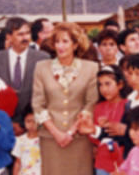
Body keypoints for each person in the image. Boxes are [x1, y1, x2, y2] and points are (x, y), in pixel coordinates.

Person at [30, 22, 100, 175]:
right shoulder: (41, 67)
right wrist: (56, 133)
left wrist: (70, 132)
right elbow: (38, 104)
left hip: (79, 139)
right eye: (57, 41)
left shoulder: (91, 68)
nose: (60, 46)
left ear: (75, 44)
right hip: (50, 138)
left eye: (65, 41)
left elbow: (90, 103)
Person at [0, 17, 51, 121]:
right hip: (1, 121)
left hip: (32, 122)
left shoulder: (43, 58)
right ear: (9, 37)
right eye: (20, 34)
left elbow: (47, 94)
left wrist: (24, 123)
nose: (25, 38)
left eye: (27, 33)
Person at [91, 65, 129, 175]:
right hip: (102, 162)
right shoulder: (99, 107)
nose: (103, 89)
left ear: (120, 84)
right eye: (100, 85)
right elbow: (93, 134)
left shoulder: (128, 104)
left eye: (108, 84)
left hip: (123, 162)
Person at [111, 106, 139, 175]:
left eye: (136, 129)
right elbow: (123, 169)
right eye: (130, 129)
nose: (131, 133)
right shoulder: (134, 150)